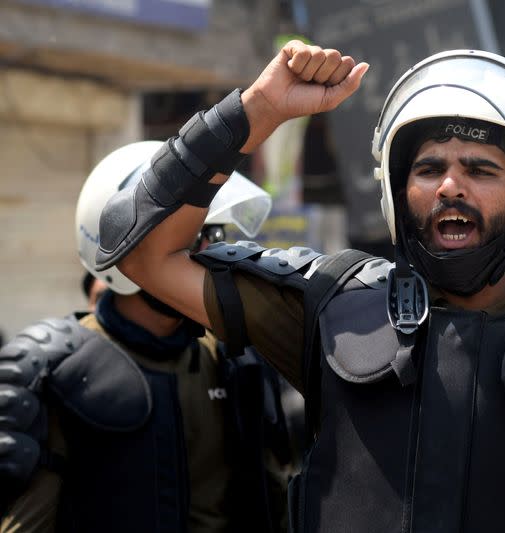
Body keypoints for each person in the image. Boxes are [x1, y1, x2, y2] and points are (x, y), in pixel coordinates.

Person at [93, 42, 505, 532]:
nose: (450, 187)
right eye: (429, 168)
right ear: (397, 193)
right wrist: (256, 112)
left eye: (480, 169)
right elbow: (146, 254)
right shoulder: (333, 307)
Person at [0, 141, 294, 533]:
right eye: (190, 239)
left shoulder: (232, 359)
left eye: (213, 233)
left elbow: (274, 504)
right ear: (128, 250)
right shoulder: (55, 370)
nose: (210, 252)